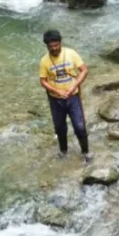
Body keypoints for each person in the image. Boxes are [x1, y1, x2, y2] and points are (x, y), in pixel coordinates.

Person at [39, 29, 92, 163]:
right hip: (55, 99)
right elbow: (43, 81)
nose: (55, 48)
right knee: (59, 127)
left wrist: (74, 86)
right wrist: (57, 91)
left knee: (79, 126)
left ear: (60, 42)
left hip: (73, 96)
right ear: (47, 46)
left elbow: (84, 70)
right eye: (51, 47)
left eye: (56, 45)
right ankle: (63, 151)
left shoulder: (71, 54)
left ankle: (85, 152)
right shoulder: (44, 61)